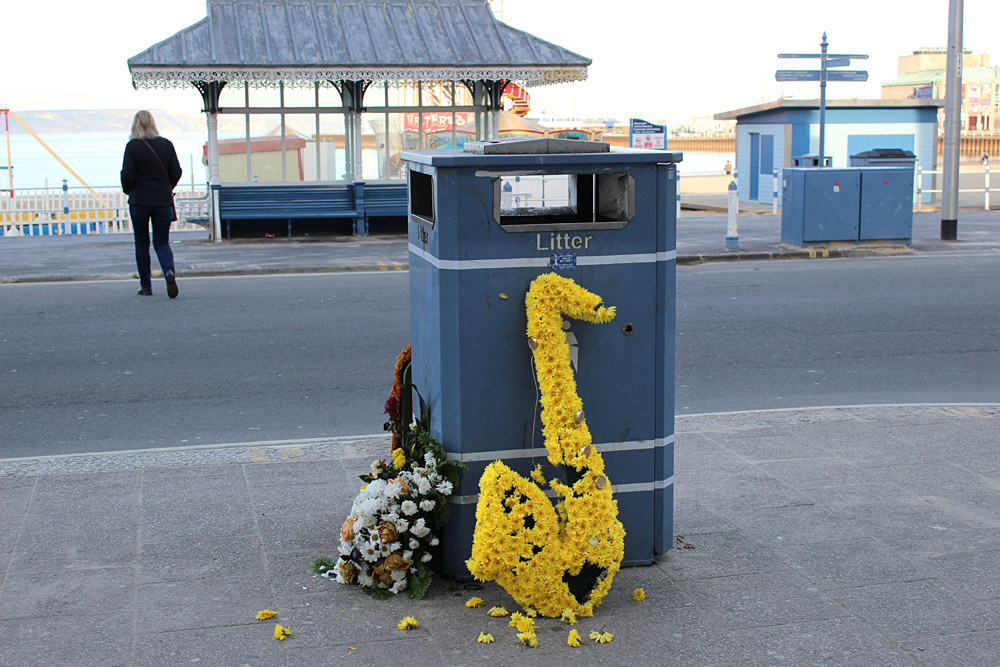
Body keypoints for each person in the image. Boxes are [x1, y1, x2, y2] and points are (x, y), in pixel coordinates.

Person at [120, 110, 182, 297]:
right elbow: (176, 171)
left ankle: (146, 286)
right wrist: (166, 187)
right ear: (153, 124)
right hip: (163, 201)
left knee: (141, 242)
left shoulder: (132, 146)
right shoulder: (166, 145)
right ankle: (169, 271)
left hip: (139, 201)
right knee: (162, 242)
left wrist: (129, 189)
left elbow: (128, 175)